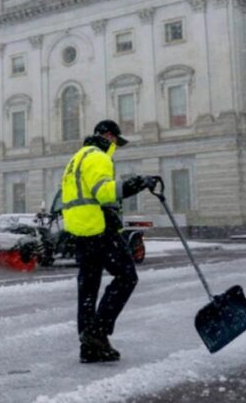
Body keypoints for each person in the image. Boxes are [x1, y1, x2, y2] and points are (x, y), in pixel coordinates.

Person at [60, 119, 159, 363]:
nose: (116, 146)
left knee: (88, 289)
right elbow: (104, 191)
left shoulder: (76, 159)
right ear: (109, 136)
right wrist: (137, 183)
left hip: (81, 232)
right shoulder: (98, 156)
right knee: (127, 276)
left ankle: (89, 347)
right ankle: (98, 332)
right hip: (99, 228)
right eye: (116, 140)